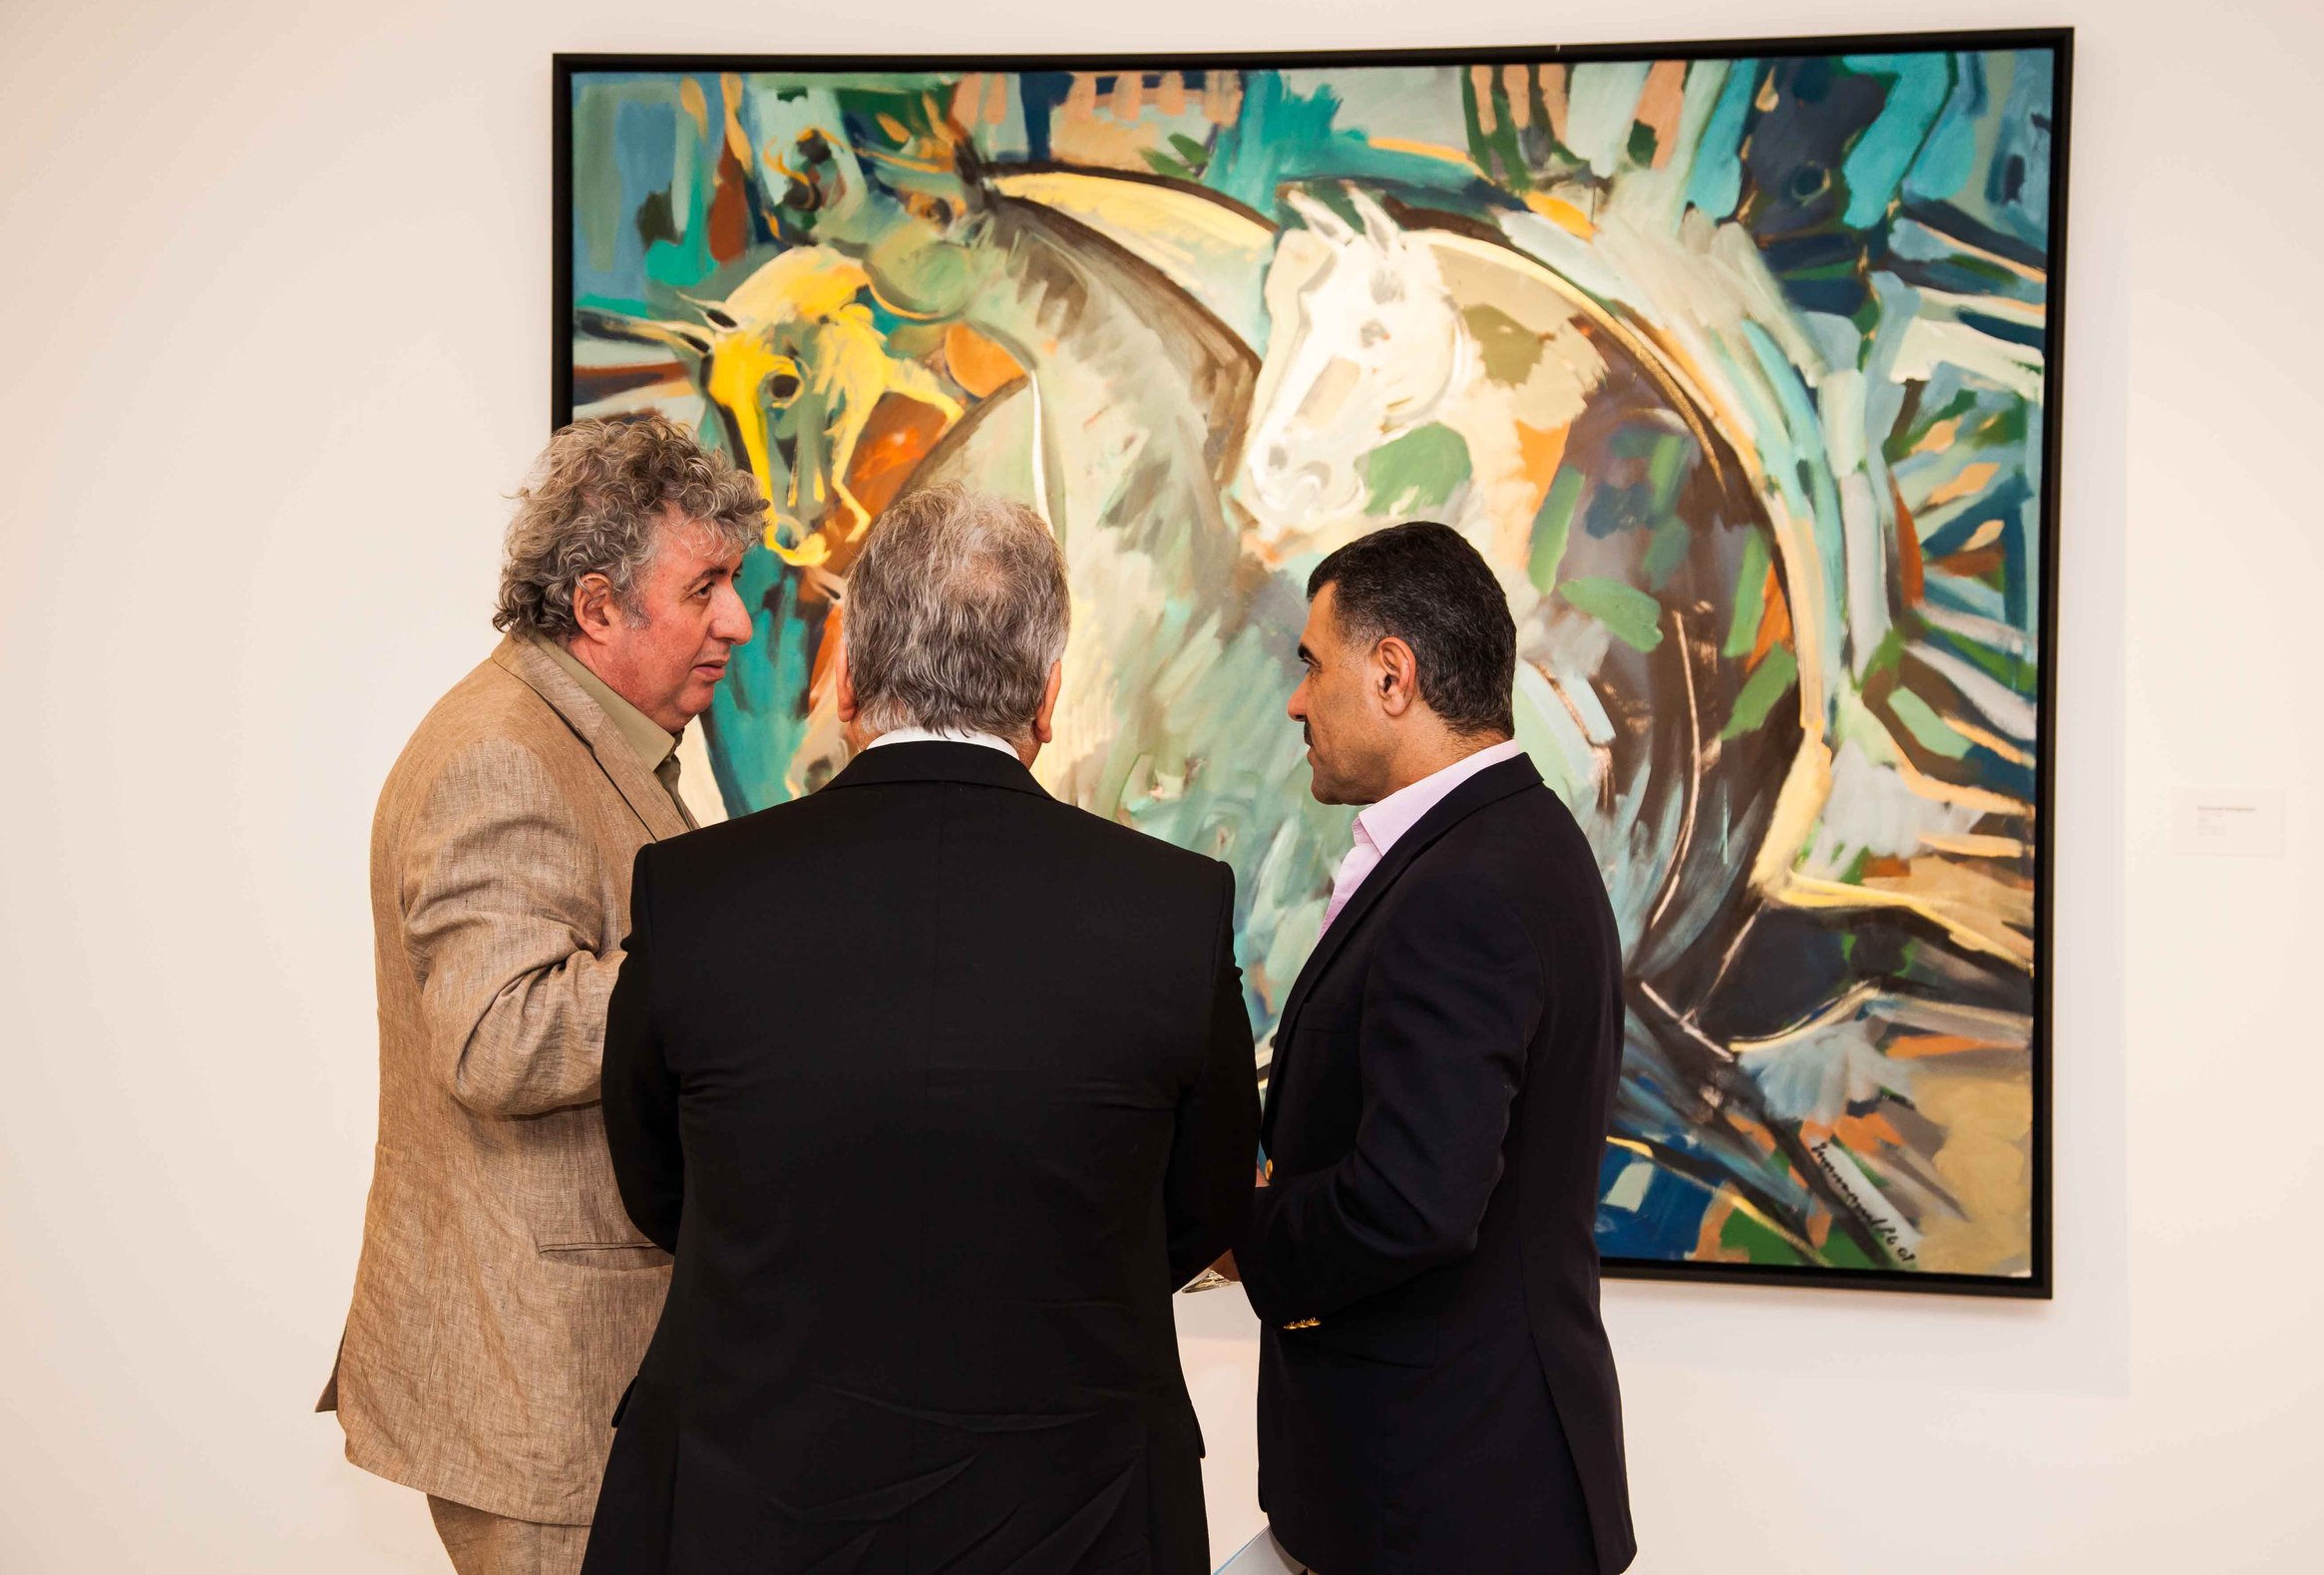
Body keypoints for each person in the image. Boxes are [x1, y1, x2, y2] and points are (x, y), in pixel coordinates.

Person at [583, 484, 1260, 1575]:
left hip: (749, 1506)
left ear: (846, 678)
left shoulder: (695, 890)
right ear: (1048, 696)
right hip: (1073, 1514)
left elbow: (658, 1185)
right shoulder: (1173, 907)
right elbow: (1203, 1205)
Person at [323, 417, 767, 1574]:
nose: (738, 621)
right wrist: (744, 962)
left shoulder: (588, 737)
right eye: (706, 586)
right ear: (597, 605)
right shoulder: (502, 753)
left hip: (579, 1379)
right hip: (544, 1395)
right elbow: (497, 1033)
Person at [1232, 521, 1638, 1575]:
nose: (1294, 699)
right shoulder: (1513, 844)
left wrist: (1244, 1231)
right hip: (1446, 1482)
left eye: (1311, 664)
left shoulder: (1466, 884)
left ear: (1392, 672)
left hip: (1444, 1503)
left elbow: (1413, 1197)